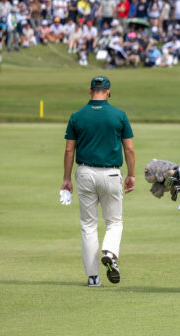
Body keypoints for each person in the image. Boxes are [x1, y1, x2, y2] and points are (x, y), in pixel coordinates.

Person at [61, 76, 135, 287]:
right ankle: (109, 253)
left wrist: (66, 178)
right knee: (114, 222)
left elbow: (69, 149)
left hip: (85, 172)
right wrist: (131, 174)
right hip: (111, 173)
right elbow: (129, 149)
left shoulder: (77, 116)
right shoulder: (119, 115)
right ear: (108, 91)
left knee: (88, 225)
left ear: (90, 90)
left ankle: (93, 277)